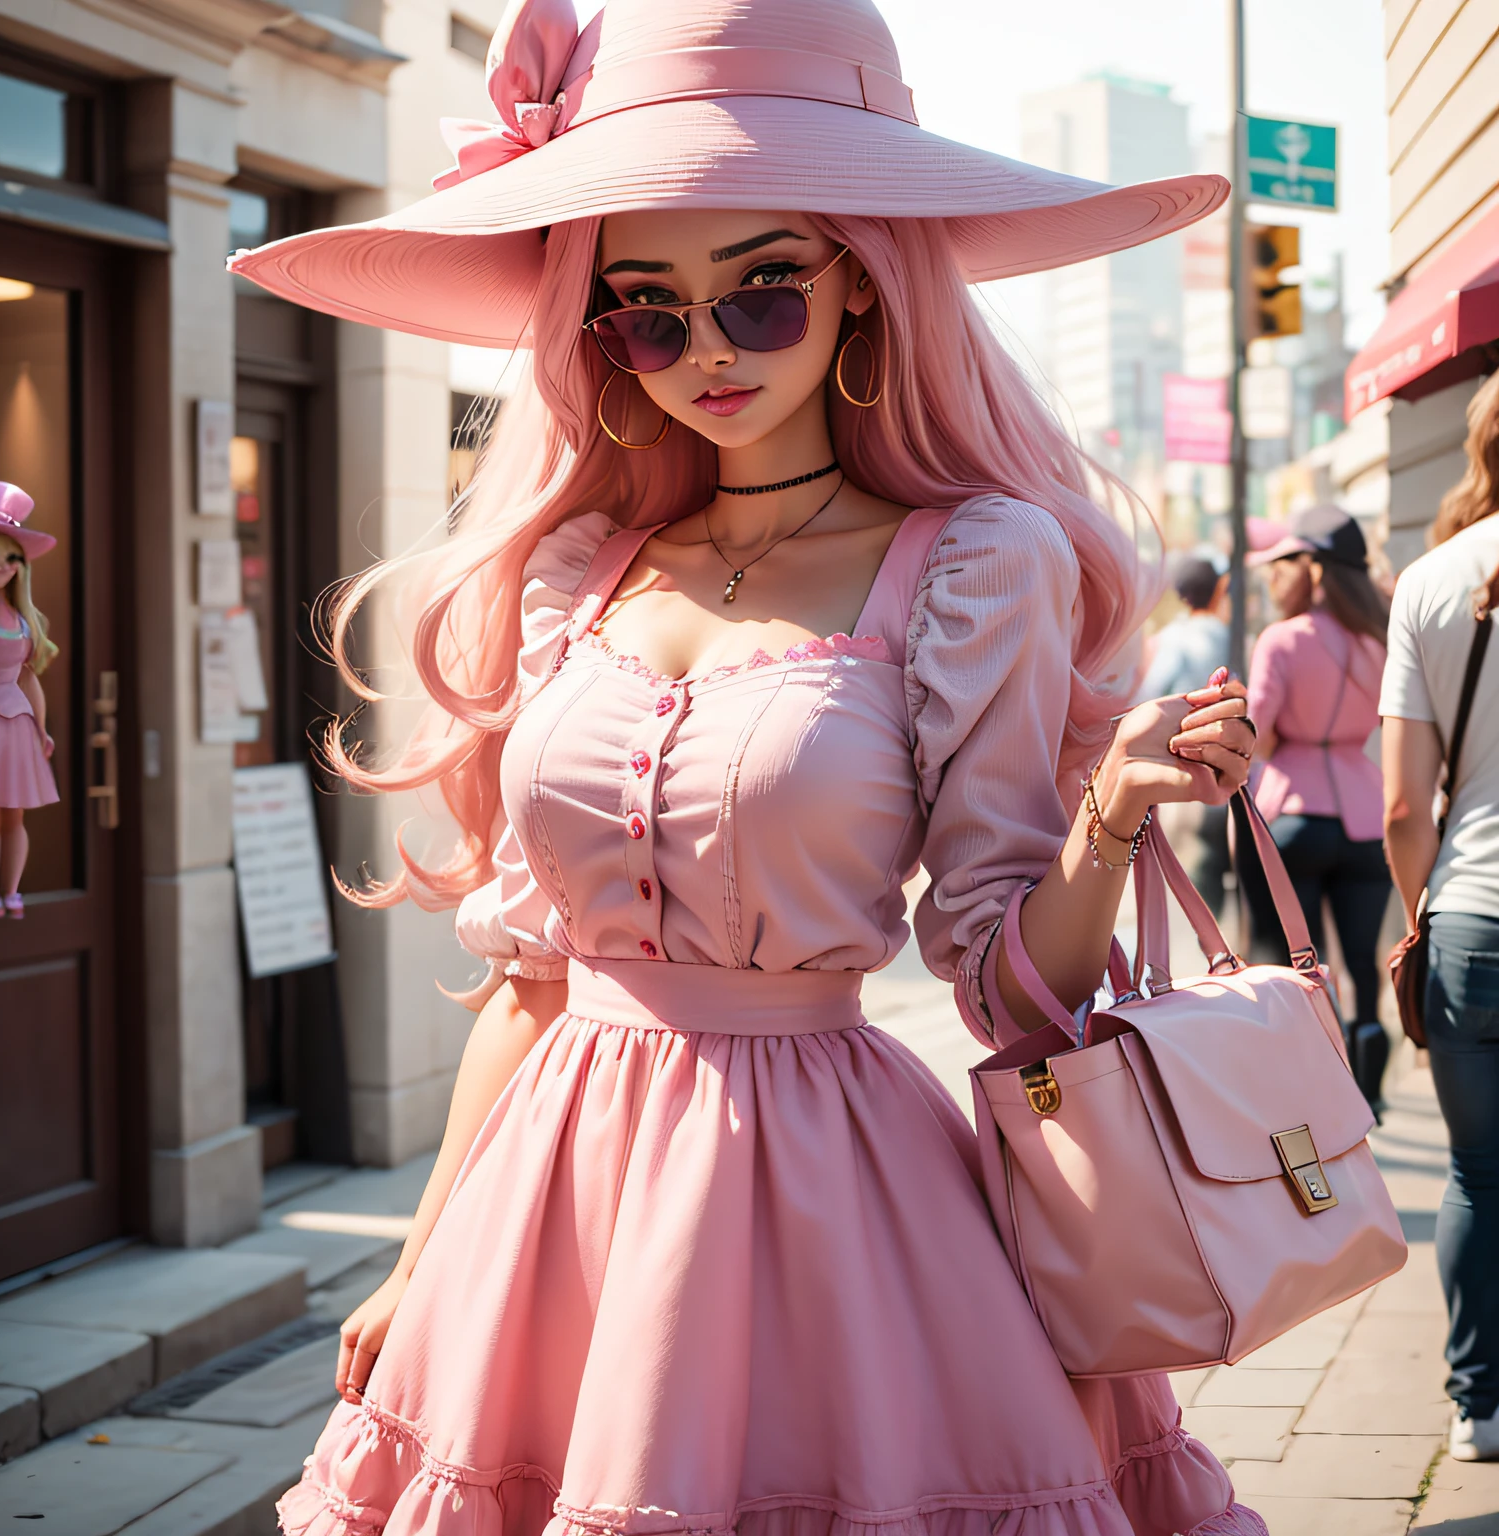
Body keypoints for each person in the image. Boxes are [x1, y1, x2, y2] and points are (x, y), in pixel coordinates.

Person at [235, 2, 1263, 1532]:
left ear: (863, 278)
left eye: (762, 290)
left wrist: (1107, 811)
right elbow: (532, 975)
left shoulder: (979, 563)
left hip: (835, 1214)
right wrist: (420, 1253)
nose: (704, 349)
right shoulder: (575, 569)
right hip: (549, 1216)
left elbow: (1006, 989)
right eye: (647, 309)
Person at [1382, 371, 1499, 1463]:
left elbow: (1405, 805)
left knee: (1475, 1171)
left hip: (1471, 921)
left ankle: (1479, 1407)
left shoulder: (1426, 582)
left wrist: (1418, 918)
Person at [1235, 504, 1392, 1112]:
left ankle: (1305, 1087)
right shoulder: (1380, 640)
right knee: (1361, 964)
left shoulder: (1283, 638)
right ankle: (1369, 1090)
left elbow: (1260, 734)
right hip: (1364, 811)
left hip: (1292, 814)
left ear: (1313, 569)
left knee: (1295, 967)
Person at [0, 481, 59, 918]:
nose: (0, 566)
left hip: (19, 720)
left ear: (20, 566)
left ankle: (13, 889)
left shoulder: (26, 622)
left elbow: (31, 679)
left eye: (9, 559)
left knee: (15, 814)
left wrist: (42, 729)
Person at [1138, 556, 1232, 912]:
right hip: (1232, 777)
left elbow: (1149, 700)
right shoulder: (1232, 636)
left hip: (1185, 781)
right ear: (1217, 592)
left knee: (1190, 903)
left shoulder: (1171, 640)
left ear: (1181, 595)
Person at [1138, 555, 1230, 702]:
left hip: (1182, 720)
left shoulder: (1172, 637)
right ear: (1217, 591)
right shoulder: (1229, 637)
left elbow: (1151, 691)